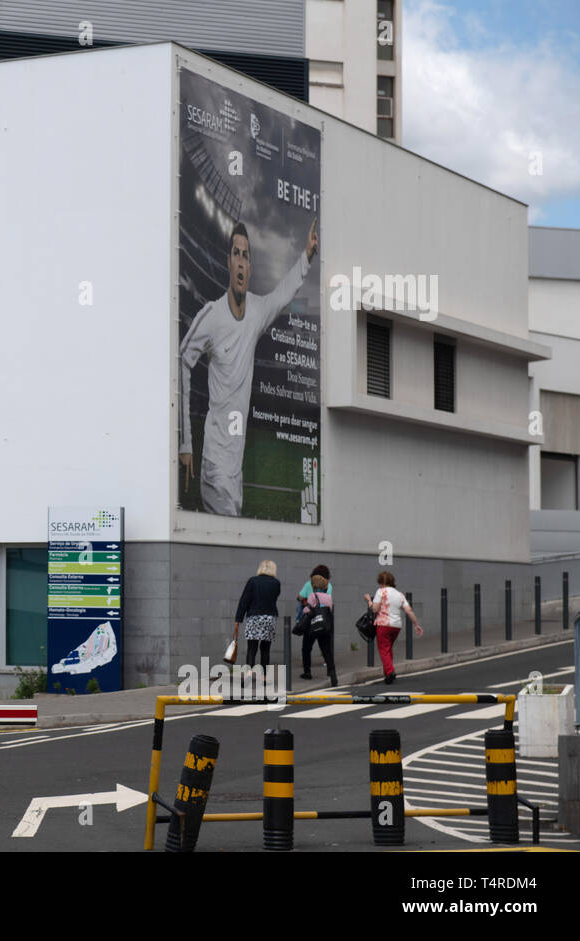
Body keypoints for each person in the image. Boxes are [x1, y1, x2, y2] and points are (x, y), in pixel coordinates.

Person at [178, 216, 319, 516]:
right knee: (233, 538)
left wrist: (306, 256)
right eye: (236, 254)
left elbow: (282, 295)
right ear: (228, 262)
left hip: (236, 469)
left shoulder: (256, 312)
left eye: (246, 256)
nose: (241, 262)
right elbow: (182, 361)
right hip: (215, 467)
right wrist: (185, 442)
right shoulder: (212, 316)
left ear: (250, 267)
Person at [363, 571, 422, 685]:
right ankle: (387, 672)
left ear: (381, 582)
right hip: (396, 626)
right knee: (388, 648)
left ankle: (390, 672)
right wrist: (416, 624)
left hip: (383, 624)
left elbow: (375, 609)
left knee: (383, 649)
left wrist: (369, 601)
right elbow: (408, 610)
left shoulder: (381, 591)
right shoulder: (400, 594)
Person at [234, 560, 281, 669]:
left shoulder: (252, 581)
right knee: (265, 649)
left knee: (252, 648)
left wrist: (238, 619)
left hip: (254, 617)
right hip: (269, 618)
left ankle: (248, 674)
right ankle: (264, 676)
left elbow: (244, 601)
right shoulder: (276, 583)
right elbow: (275, 597)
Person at [298, 571, 337, 686]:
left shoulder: (312, 596)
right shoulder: (328, 597)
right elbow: (329, 610)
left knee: (306, 649)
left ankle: (307, 672)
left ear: (314, 585)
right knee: (326, 651)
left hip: (312, 627)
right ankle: (332, 673)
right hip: (325, 627)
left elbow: (308, 610)